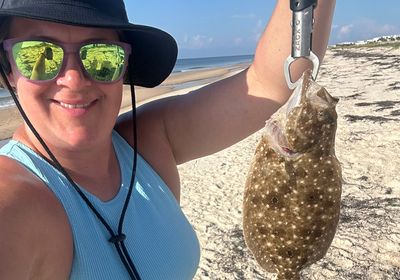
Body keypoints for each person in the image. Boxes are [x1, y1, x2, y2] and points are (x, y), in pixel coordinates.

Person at [0, 0, 335, 279]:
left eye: (101, 56)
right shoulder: (14, 198)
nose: (73, 79)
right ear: (9, 69)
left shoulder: (146, 142)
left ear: (124, 65)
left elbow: (271, 83)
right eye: (39, 55)